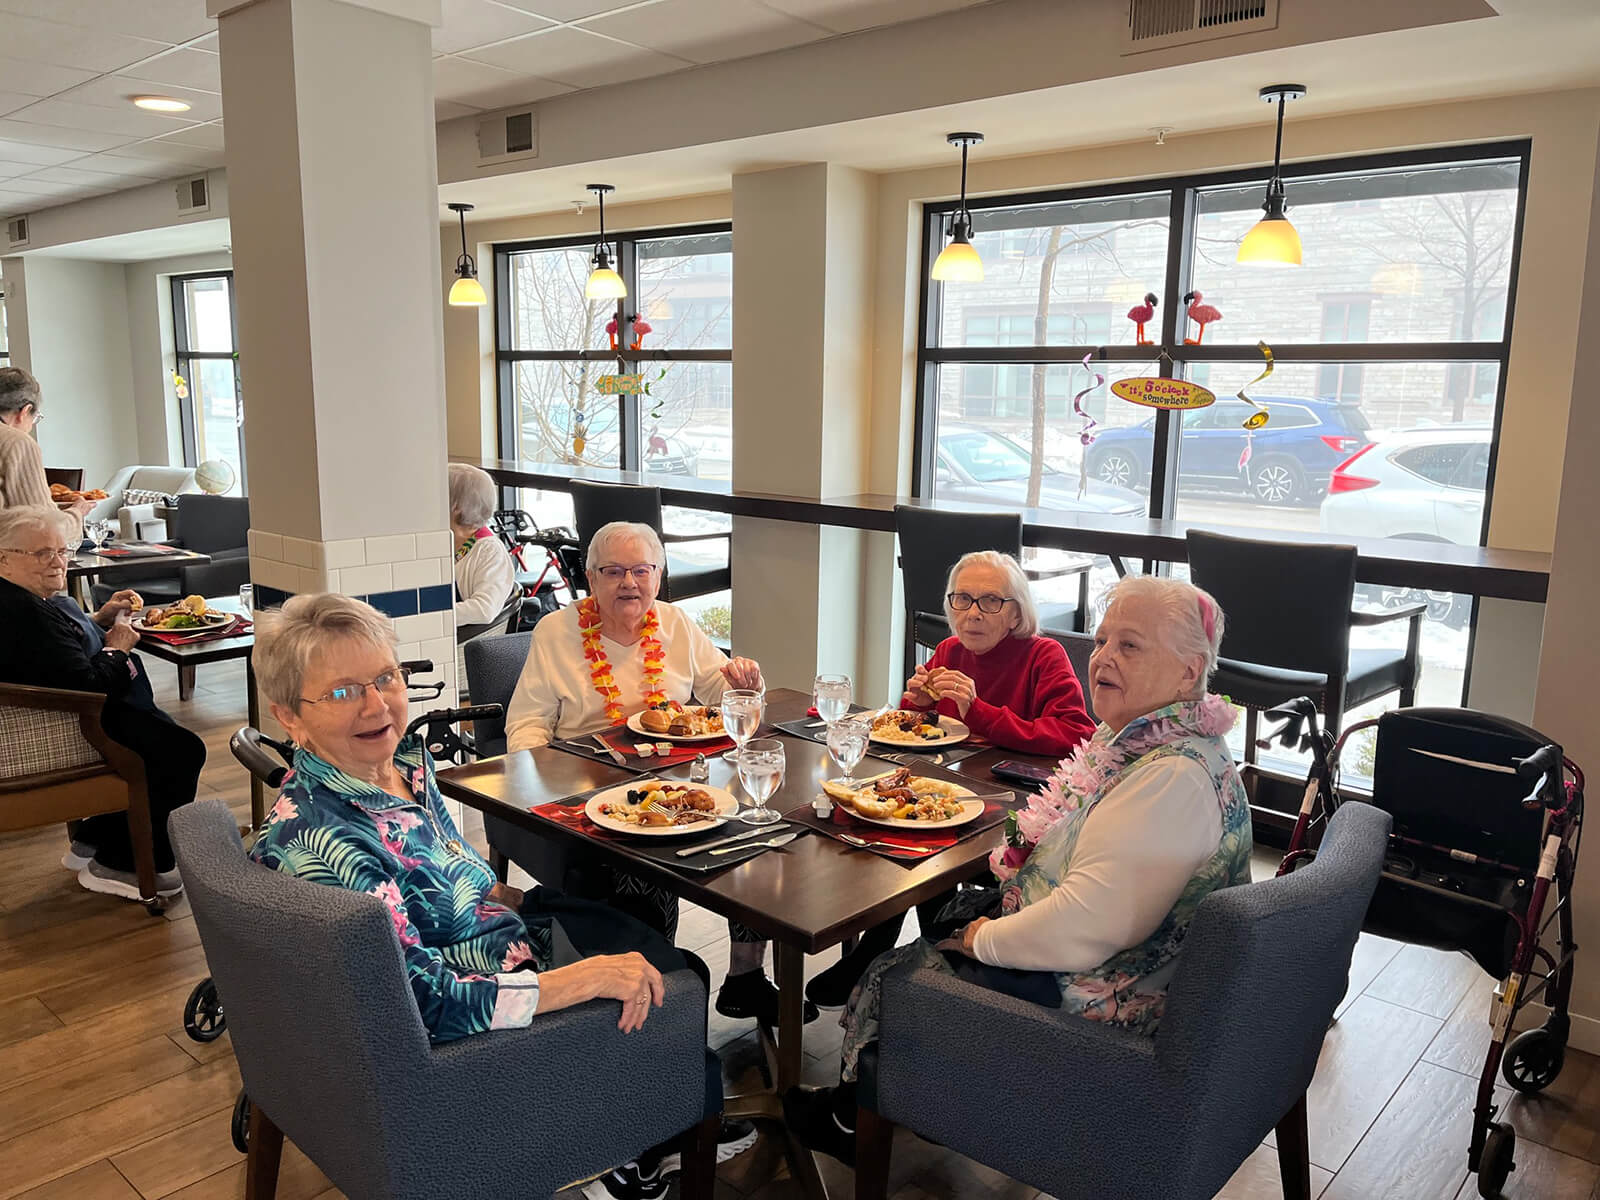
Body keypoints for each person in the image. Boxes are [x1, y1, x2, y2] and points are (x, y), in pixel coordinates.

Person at [247, 593, 755, 1200]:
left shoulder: (399, 765)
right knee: (671, 988)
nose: (377, 704)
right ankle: (628, 1144)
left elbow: (446, 869)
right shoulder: (324, 843)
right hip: (474, 1027)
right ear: (290, 719)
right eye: (341, 692)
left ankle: (640, 1128)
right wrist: (580, 981)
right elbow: (423, 1006)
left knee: (671, 962)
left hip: (500, 937)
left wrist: (511, 898)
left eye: (385, 677)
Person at [784, 575, 1253, 1164]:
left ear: (1190, 673)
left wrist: (985, 939)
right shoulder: (1150, 744)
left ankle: (870, 1113)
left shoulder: (1171, 776)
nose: (1103, 657)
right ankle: (908, 1097)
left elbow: (1086, 928)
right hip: (1112, 960)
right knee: (947, 916)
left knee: (906, 966)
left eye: (1129, 645)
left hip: (1098, 1006)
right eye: (1103, 641)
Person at [505, 521, 814, 1027]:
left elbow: (721, 692)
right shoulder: (556, 632)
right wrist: (545, 787)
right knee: (646, 863)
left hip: (676, 777)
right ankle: (658, 989)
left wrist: (744, 684)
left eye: (641, 570)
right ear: (590, 577)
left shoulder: (673, 623)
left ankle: (745, 976)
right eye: (614, 571)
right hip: (591, 785)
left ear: (658, 575)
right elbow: (526, 726)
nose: (629, 583)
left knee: (752, 834)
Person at [806, 549, 1098, 1009]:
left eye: (989, 602)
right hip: (952, 786)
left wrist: (979, 711)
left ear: (1016, 611)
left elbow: (1074, 735)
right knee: (888, 823)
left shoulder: (1043, 655)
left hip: (1021, 802)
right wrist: (915, 707)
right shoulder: (950, 651)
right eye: (962, 599)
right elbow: (933, 734)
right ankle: (910, 953)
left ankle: (895, 956)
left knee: (925, 843)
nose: (973, 613)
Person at [0, 505, 205, 899]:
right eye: (42, 553)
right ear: (3, 557)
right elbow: (88, 684)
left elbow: (55, 652)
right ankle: (120, 865)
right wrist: (118, 649)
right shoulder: (21, 613)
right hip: (73, 721)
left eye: (62, 551)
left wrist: (98, 619)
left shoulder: (21, 599)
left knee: (168, 740)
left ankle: (95, 837)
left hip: (64, 709)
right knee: (182, 752)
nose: (57, 562)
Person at [0, 368, 92, 522]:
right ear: (25, 411)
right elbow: (43, 526)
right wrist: (76, 513)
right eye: (35, 418)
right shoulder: (17, 443)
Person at [449, 463, 516, 629]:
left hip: (466, 645)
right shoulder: (445, 542)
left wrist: (433, 617)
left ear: (456, 507)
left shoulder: (489, 551)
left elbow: (484, 609)